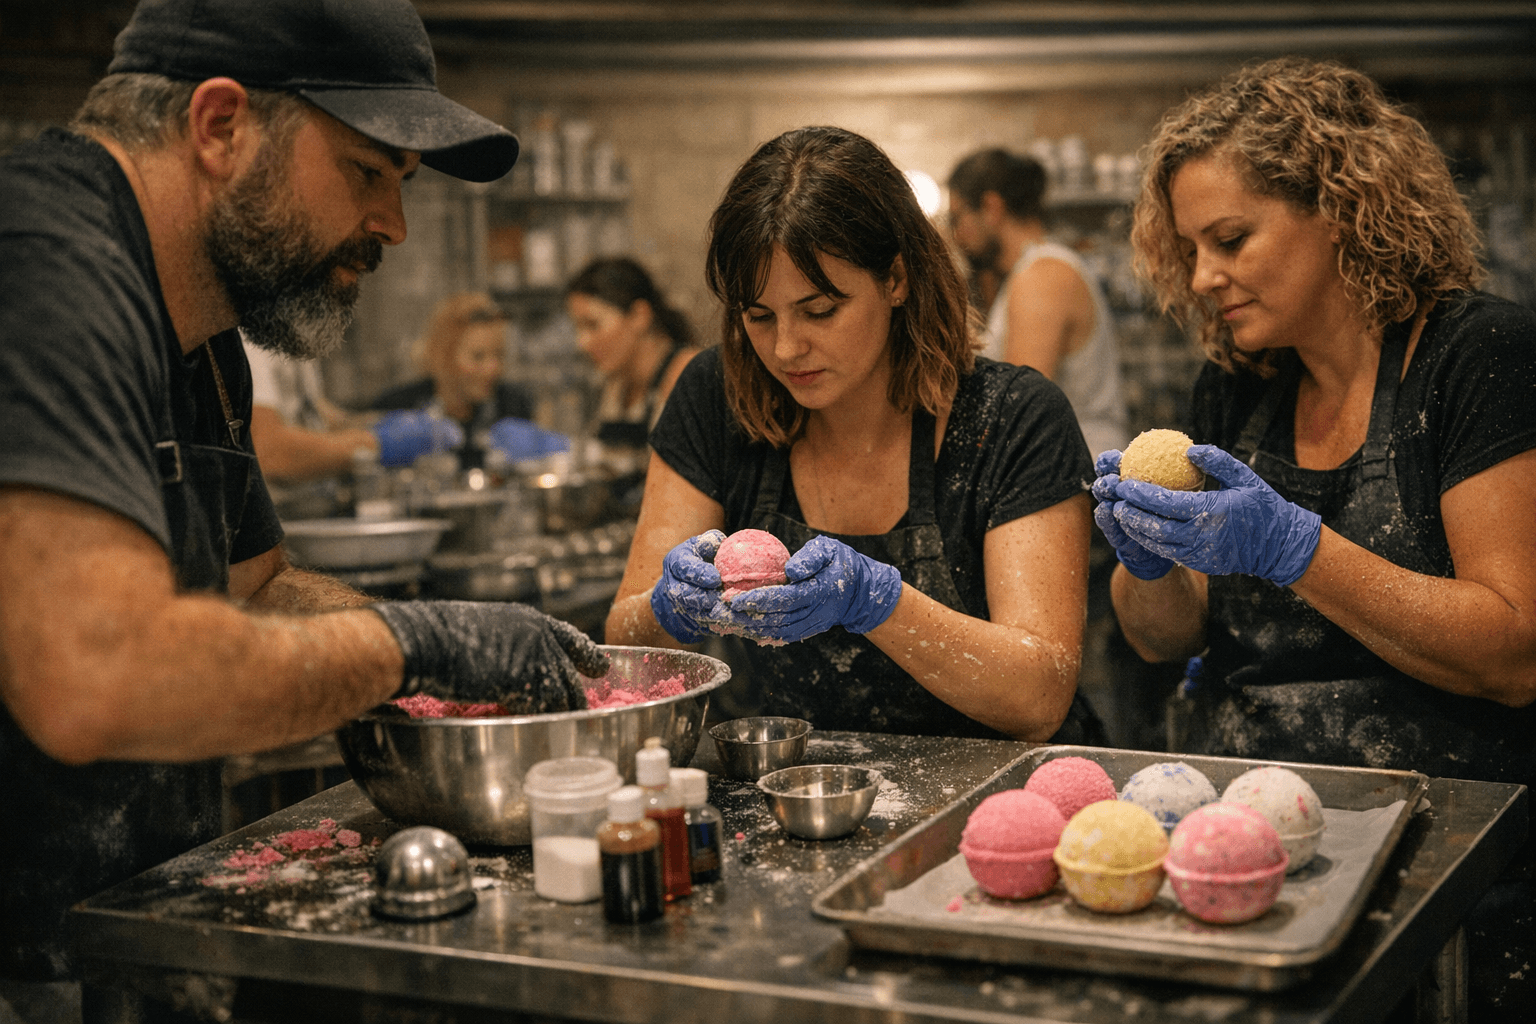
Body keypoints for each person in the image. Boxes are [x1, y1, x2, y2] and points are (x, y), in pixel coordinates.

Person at [0, 0, 609, 1014]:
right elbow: (93, 680)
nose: (395, 227)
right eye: (368, 172)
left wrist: (463, 643)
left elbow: (257, 590)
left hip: (113, 928)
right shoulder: (46, 266)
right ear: (221, 125)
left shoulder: (200, 333)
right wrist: (408, 641)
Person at [1093, 57, 1535, 1021]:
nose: (1205, 277)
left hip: (1446, 853)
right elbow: (1166, 638)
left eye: (1231, 239)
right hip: (1241, 842)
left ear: (1340, 209)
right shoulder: (1241, 386)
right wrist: (1147, 557)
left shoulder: (1474, 359)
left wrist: (1301, 549)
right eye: (1191, 248)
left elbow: (1513, 651)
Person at [605, 125, 1105, 744]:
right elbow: (623, 652)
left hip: (991, 794)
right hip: (785, 789)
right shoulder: (718, 397)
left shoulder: (1012, 418)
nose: (786, 348)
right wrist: (666, 609)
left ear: (895, 279)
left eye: (820, 310)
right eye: (758, 316)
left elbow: (1038, 696)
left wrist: (877, 601)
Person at [947, 147, 1129, 459]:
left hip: (1081, 475)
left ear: (991, 208)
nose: (956, 234)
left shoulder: (1042, 275)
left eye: (957, 217)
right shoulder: (1029, 271)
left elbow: (1017, 411)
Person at [565, 256, 703, 504]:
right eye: (577, 328)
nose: (582, 343)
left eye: (593, 325)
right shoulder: (613, 384)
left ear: (640, 316)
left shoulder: (689, 376)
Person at [369, 291, 555, 470]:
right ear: (442, 356)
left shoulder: (514, 405)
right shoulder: (397, 407)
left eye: (499, 354)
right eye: (478, 357)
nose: (493, 368)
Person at [242, 333, 381, 482]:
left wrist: (374, 423)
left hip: (305, 491)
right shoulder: (249, 341)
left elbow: (315, 412)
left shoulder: (294, 336)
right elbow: (269, 452)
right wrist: (371, 444)